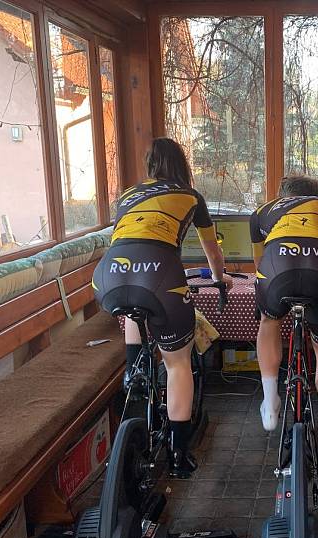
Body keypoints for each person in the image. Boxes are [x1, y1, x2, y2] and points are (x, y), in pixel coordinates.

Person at [92, 137, 232, 478]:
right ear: (181, 164)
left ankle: (133, 370)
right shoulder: (190, 196)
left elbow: (129, 239)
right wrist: (220, 278)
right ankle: (178, 453)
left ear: (149, 165)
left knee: (134, 307)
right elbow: (212, 250)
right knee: (178, 363)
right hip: (160, 275)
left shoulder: (127, 195)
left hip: (108, 276)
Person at [250, 175, 318, 464]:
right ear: (316, 195)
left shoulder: (262, 212)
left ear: (281, 195)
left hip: (277, 272)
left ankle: (270, 402)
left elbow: (259, 263)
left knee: (269, 322)